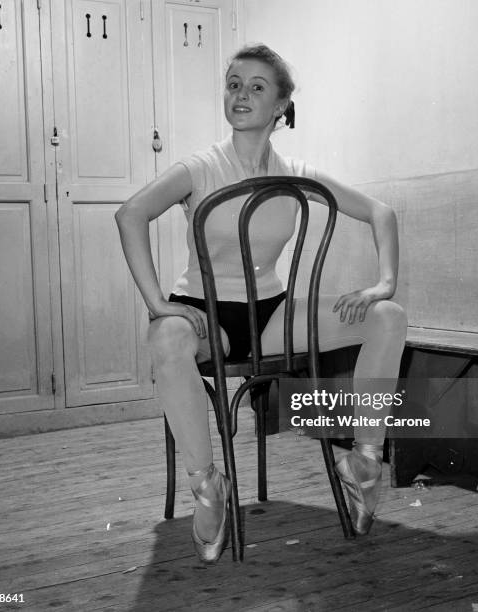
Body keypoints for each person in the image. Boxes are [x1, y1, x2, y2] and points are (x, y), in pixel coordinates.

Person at [115, 44, 407, 563]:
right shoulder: (199, 168)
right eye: (232, 83)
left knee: (388, 317)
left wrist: (384, 283)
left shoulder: (295, 172)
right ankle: (209, 487)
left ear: (280, 106)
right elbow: (130, 214)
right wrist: (160, 302)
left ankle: (364, 460)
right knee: (166, 335)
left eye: (255, 86)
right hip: (205, 316)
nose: (240, 94)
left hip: (270, 313)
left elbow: (381, 213)